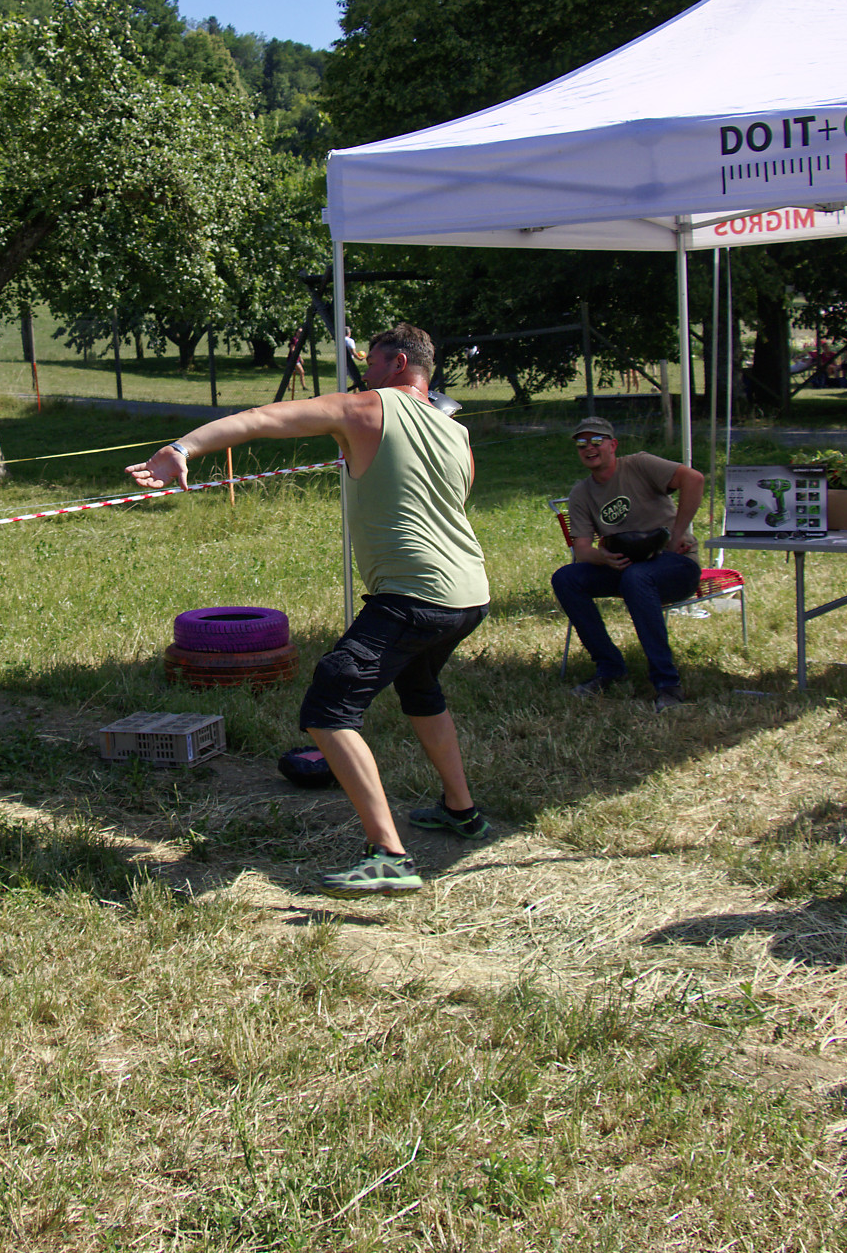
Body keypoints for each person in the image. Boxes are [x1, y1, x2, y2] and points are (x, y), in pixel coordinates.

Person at [126, 324, 491, 896]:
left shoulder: (367, 408)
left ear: (398, 364)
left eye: (372, 363)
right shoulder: (457, 432)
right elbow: (453, 495)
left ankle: (389, 856)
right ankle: (461, 810)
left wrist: (181, 449)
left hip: (413, 594)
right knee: (421, 689)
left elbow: (263, 419)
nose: (364, 373)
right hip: (470, 594)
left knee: (330, 702)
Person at [552, 415, 704, 712]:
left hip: (675, 564)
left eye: (596, 441)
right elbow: (582, 550)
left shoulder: (640, 464)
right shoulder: (581, 493)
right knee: (566, 578)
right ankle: (609, 668)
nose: (589, 447)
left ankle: (667, 684)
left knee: (637, 578)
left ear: (613, 445)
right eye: (582, 443)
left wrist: (676, 535)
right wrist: (603, 557)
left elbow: (694, 479)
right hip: (624, 567)